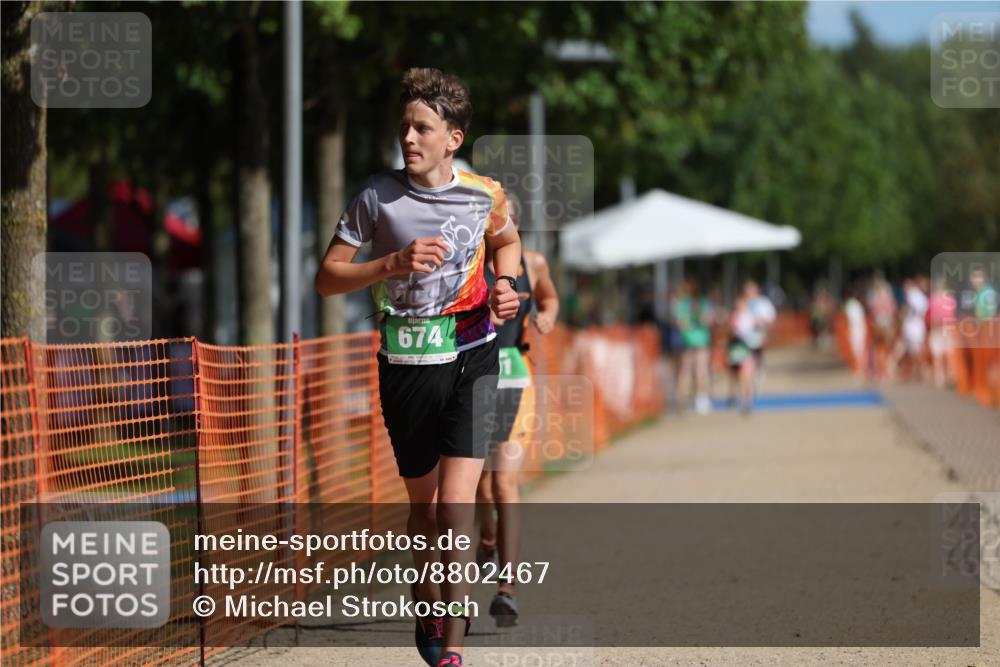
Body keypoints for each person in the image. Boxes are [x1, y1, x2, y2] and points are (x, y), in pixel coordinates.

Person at [315, 68, 521, 667]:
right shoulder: (378, 196)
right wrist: (392, 264)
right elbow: (327, 279)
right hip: (406, 360)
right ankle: (427, 601)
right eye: (404, 125)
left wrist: (505, 286)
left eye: (422, 127)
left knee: (456, 505)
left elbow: (506, 243)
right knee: (426, 510)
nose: (409, 137)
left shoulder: (485, 194)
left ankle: (453, 653)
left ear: (452, 137)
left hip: (476, 354)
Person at [475, 199, 559, 627]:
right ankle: (487, 537)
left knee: (504, 481)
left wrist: (546, 315)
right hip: (471, 379)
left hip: (512, 376)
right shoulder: (470, 263)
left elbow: (549, 298)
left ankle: (506, 588)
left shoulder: (535, 263)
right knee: (480, 487)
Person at [672, 278, 714, 414]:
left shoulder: (693, 304)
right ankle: (690, 400)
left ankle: (691, 400)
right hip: (694, 341)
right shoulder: (688, 304)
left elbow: (682, 323)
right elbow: (682, 323)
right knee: (693, 371)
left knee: (693, 371)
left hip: (694, 341)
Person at [888, 278, 929, 382]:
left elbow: (907, 311)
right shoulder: (919, 296)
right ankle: (921, 372)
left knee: (906, 350)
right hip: (915, 328)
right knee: (913, 351)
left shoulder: (913, 296)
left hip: (912, 328)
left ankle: (892, 368)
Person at [727, 294, 757, 415]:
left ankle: (747, 401)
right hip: (736, 349)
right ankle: (737, 398)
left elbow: (755, 334)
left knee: (747, 376)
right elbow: (731, 334)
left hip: (747, 349)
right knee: (737, 376)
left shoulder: (750, 317)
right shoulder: (734, 318)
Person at [927, 276, 956, 388]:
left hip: (937, 328)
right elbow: (952, 315)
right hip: (946, 328)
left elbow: (930, 315)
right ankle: (950, 376)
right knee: (948, 354)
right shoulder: (950, 298)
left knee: (938, 355)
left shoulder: (933, 299)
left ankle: (940, 378)